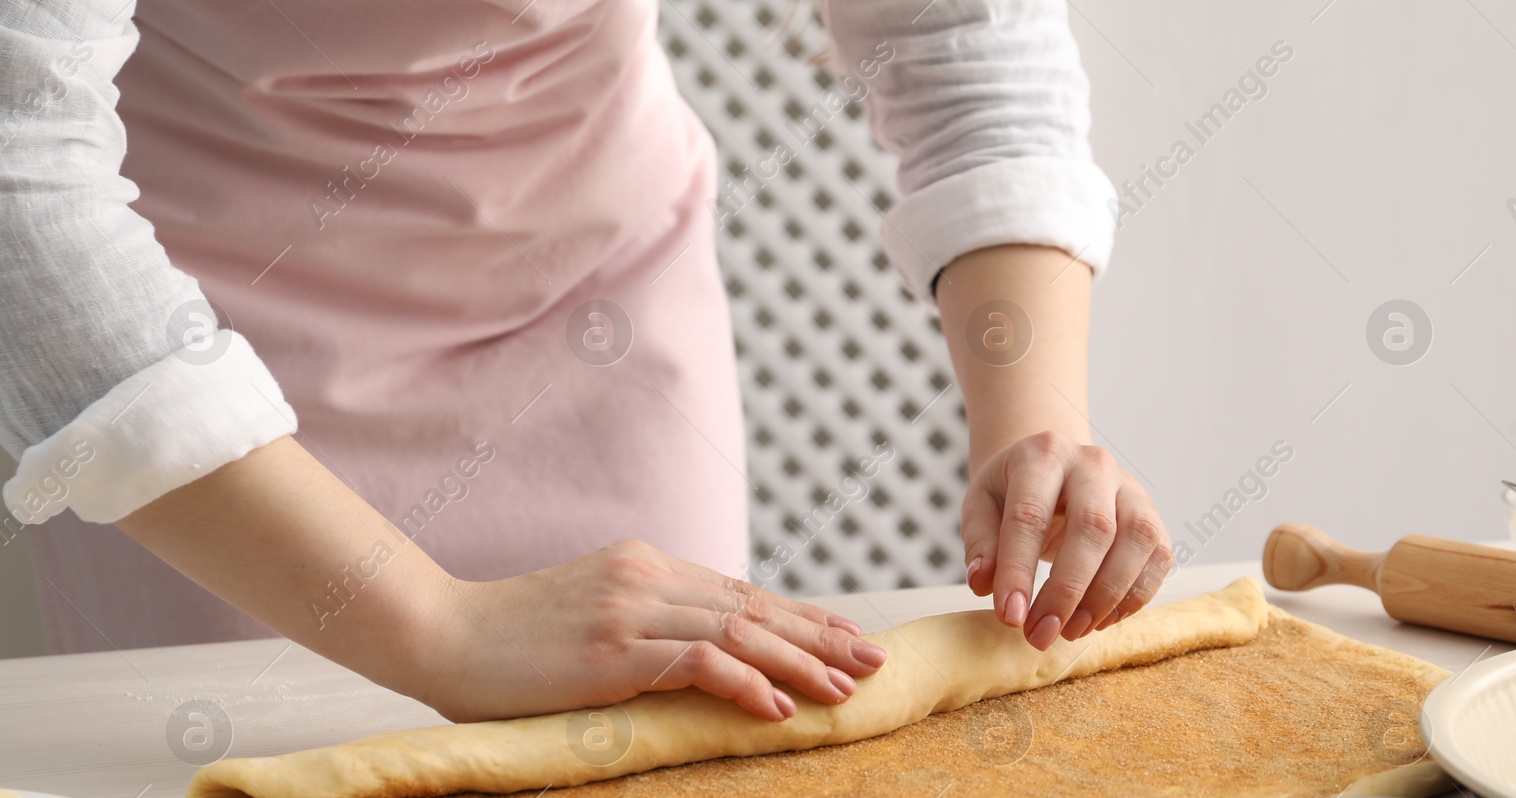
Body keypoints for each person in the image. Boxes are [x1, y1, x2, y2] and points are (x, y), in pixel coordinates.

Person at [0, 0, 1172, 723]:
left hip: (594, 309)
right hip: (189, 363)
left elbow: (961, 44)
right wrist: (431, 627)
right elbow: (20, 174)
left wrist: (1037, 428)